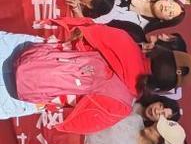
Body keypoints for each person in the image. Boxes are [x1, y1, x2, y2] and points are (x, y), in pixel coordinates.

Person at [0, 16, 151, 132]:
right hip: (31, 94)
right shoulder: (122, 106)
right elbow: (79, 123)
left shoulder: (125, 42)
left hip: (29, 53)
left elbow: (82, 27)